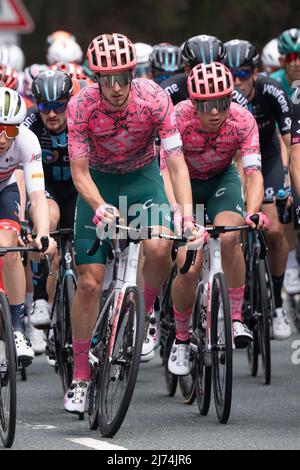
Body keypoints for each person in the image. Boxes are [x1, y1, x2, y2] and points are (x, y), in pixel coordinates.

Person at [64, 32, 206, 415]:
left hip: (143, 180)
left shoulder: (156, 98)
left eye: (121, 77)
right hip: (99, 182)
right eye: (104, 79)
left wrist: (187, 215)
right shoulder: (80, 106)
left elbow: (175, 163)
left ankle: (142, 316)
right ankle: (79, 376)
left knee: (160, 245)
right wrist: (98, 205)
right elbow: (78, 172)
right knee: (91, 282)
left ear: (132, 73)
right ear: (95, 79)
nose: (113, 87)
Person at [160, 62, 266, 375]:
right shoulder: (178, 116)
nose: (216, 112)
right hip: (185, 182)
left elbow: (253, 172)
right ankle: (180, 339)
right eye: (207, 105)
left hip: (222, 181)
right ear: (194, 103)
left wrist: (252, 212)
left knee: (232, 236)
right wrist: (179, 213)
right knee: (188, 266)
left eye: (222, 103)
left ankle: (235, 319)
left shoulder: (243, 119)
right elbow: (165, 170)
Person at [225, 39, 292, 339]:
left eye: (242, 75)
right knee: (232, 229)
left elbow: (291, 141)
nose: (236, 82)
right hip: (233, 162)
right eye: (231, 75)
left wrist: (289, 181)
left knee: (275, 231)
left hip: (267, 159)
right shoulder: (218, 97)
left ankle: (277, 302)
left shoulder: (271, 91)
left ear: (255, 74)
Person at [0, 87, 55, 366]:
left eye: (9, 131)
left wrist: (43, 232)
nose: (2, 138)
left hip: (5, 189)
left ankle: (18, 329)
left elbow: (36, 194)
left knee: (9, 244)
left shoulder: (27, 140)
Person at [22, 71, 77, 342]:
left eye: (59, 106)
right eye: (45, 106)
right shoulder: (30, 122)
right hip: (46, 188)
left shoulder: (81, 118)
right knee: (48, 222)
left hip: (78, 187)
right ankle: (41, 299)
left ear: (69, 102)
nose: (52, 114)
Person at [160, 35, 248, 108]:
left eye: (213, 69)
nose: (208, 75)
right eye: (200, 71)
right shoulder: (170, 89)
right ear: (187, 69)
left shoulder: (237, 97)